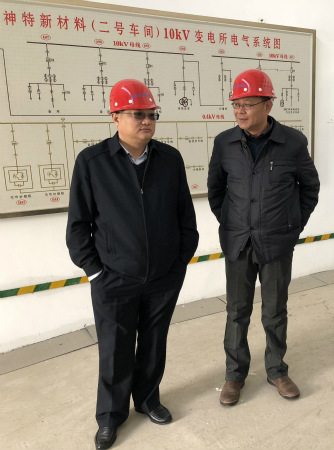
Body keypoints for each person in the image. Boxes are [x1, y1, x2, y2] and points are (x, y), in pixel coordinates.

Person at [66, 79, 199, 450]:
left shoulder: (169, 159)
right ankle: (110, 417)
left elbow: (185, 217)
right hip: (114, 278)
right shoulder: (93, 162)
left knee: (154, 343)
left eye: (152, 114)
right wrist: (96, 272)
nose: (147, 121)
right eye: (138, 114)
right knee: (115, 349)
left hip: (163, 277)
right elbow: (78, 226)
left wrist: (179, 264)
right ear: (115, 117)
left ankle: (148, 400)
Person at [207, 69, 320, 406]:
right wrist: (231, 222)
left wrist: (292, 226)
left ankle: (276, 370)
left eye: (247, 104)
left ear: (268, 105)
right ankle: (234, 375)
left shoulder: (293, 143)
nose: (240, 111)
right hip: (238, 243)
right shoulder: (224, 143)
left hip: (276, 243)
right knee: (236, 311)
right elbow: (216, 191)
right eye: (236, 104)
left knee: (274, 310)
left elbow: (309, 188)